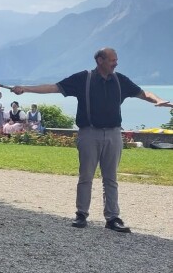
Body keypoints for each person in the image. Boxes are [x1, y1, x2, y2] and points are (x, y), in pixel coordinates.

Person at [11, 48, 170, 233]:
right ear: (100, 60)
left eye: (116, 59)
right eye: (112, 60)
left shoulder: (121, 80)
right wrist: (25, 88)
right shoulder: (83, 78)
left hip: (113, 134)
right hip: (89, 133)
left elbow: (143, 93)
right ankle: (81, 214)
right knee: (86, 176)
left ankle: (113, 218)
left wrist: (159, 100)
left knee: (110, 178)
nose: (116, 63)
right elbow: (54, 87)